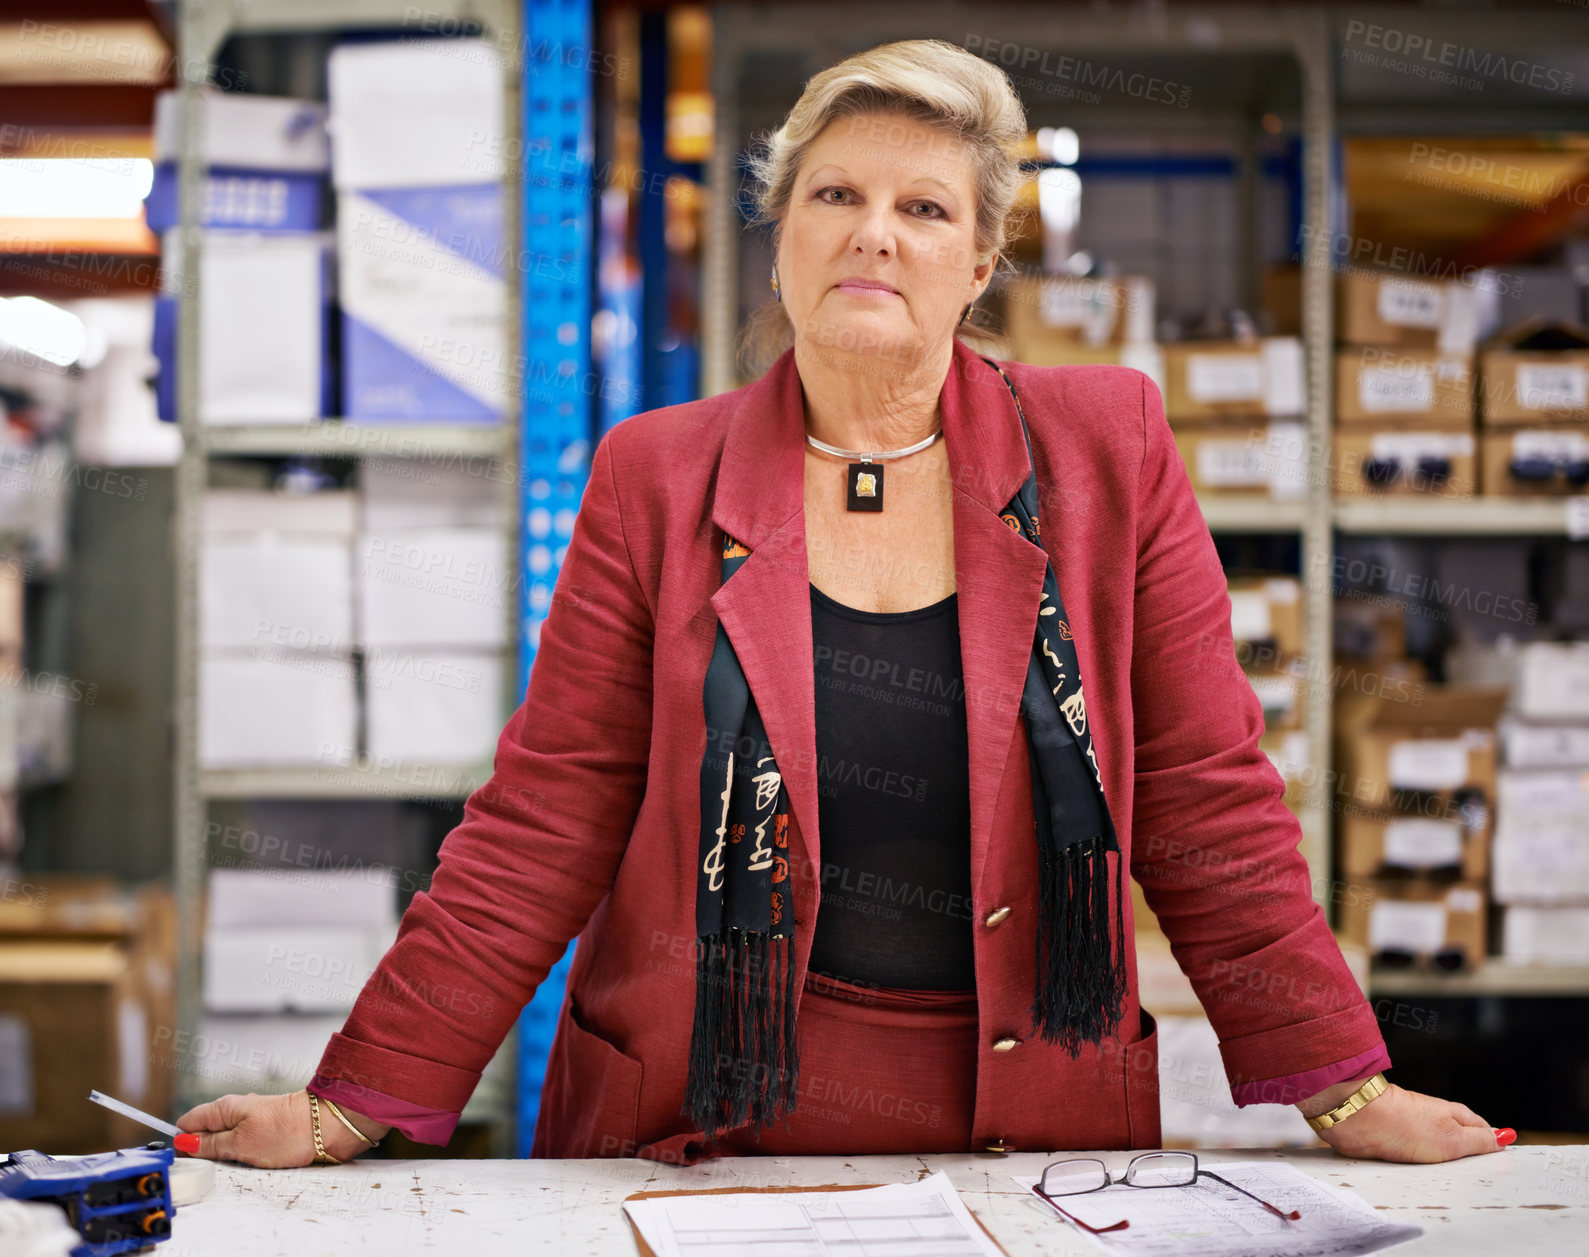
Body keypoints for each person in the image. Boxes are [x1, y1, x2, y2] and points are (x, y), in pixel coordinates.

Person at [178, 38, 1510, 1170]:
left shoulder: (1105, 448)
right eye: (835, 194)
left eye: (925, 209)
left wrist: (1339, 1083)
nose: (874, 230)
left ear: (980, 263)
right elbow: (547, 813)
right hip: (705, 1118)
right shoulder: (655, 473)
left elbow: (1203, 789)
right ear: (782, 238)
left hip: (1025, 1124)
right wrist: (356, 1098)